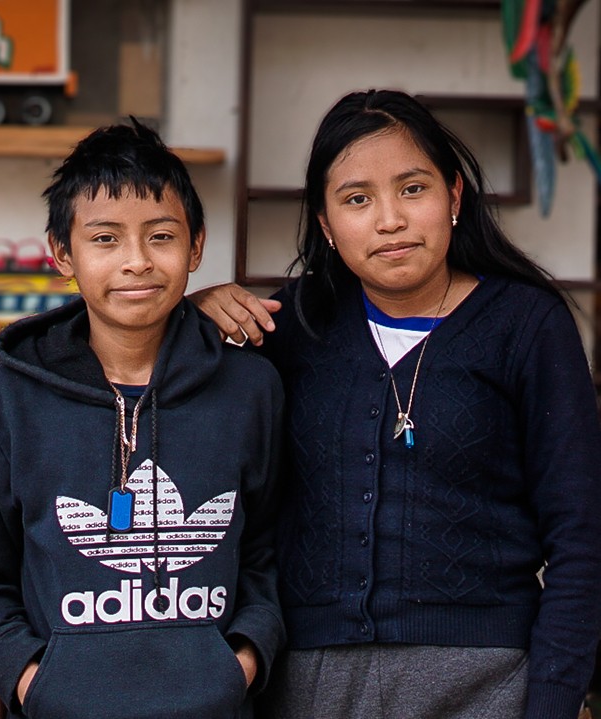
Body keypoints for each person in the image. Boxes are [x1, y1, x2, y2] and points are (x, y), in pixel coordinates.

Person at [192, 89, 601, 719]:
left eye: (413, 188)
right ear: (326, 225)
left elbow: (582, 538)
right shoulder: (289, 327)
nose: (390, 219)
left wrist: (551, 700)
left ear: (455, 196)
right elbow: (141, 397)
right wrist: (184, 321)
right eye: (357, 199)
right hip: (309, 684)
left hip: (488, 683)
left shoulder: (525, 325)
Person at [0, 119, 285, 719]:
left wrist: (240, 663)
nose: (136, 262)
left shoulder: (250, 390)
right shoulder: (12, 399)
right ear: (62, 253)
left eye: (161, 236)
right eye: (105, 239)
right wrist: (34, 682)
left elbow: (269, 554)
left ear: (197, 245)